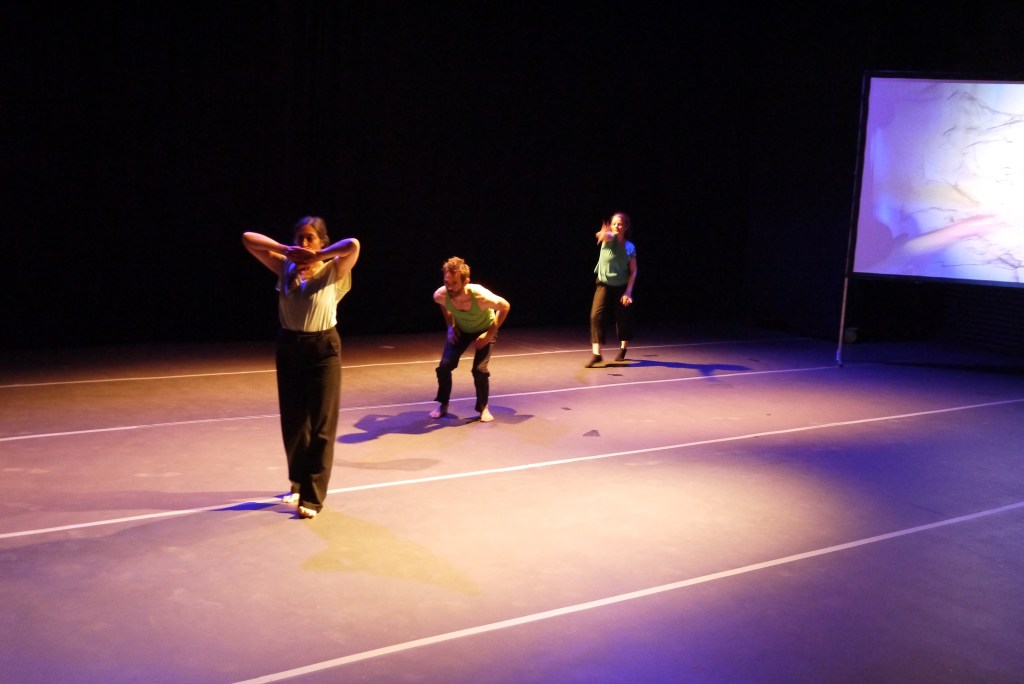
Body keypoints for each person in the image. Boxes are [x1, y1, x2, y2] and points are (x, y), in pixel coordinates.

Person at [242, 217, 360, 520]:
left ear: (322, 241)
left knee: (321, 423)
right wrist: (287, 250)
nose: (304, 243)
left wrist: (318, 256)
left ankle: (313, 495)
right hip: (289, 347)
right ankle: (298, 481)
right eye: (300, 238)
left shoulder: (334, 269)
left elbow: (353, 245)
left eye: (310, 238)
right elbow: (248, 238)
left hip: (323, 349)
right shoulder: (285, 266)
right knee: (294, 421)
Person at [429, 256, 510, 423]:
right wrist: (451, 326)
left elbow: (505, 306)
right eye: (446, 282)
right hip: (462, 330)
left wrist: (489, 334)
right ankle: (443, 404)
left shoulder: (481, 297)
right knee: (444, 367)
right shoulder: (440, 295)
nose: (449, 287)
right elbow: (444, 306)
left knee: (479, 370)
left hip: (485, 329)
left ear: (466, 282)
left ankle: (483, 407)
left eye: (454, 283)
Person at [586, 212, 638, 368]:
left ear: (625, 227)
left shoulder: (630, 247)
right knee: (596, 316)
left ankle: (623, 349)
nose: (616, 226)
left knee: (623, 319)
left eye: (619, 224)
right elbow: (602, 234)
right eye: (614, 223)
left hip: (621, 286)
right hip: (603, 283)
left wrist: (628, 292)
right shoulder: (608, 239)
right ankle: (597, 355)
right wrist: (602, 232)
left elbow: (633, 271)